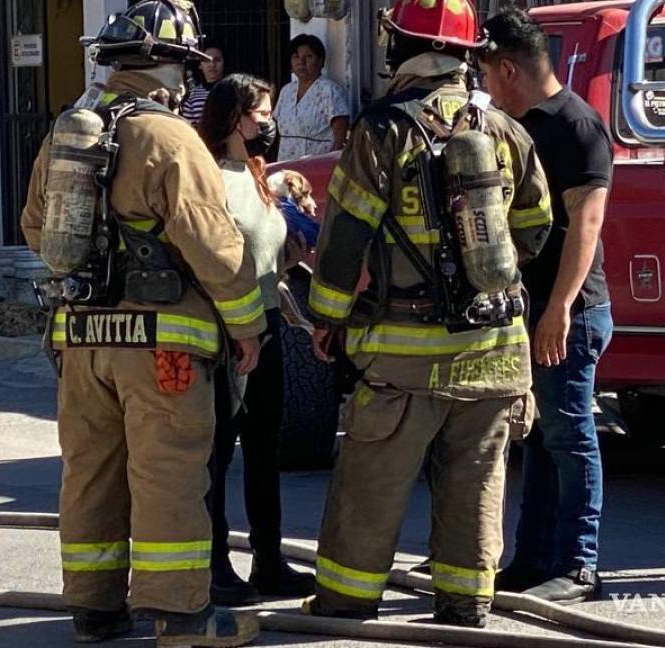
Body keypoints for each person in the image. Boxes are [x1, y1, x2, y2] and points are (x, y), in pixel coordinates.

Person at [19, 1, 264, 645]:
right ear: (170, 66)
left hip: (79, 338)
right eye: (186, 66)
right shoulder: (169, 137)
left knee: (91, 469)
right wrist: (248, 327)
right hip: (162, 345)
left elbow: (36, 228)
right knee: (168, 472)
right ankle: (182, 614)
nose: (189, 79)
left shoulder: (70, 130)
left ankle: (95, 608)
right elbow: (216, 247)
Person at [302, 0, 552, 627]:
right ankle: (466, 602)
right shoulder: (506, 131)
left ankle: (347, 600)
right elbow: (538, 227)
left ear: (400, 48)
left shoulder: (381, 130)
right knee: (477, 483)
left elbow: (344, 236)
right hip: (496, 349)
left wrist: (327, 318)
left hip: (404, 355)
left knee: (373, 483)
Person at [476, 8, 615, 605]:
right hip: (531, 310)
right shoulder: (521, 124)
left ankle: (580, 565)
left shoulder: (578, 126)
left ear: (509, 68)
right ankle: (532, 561)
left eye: (487, 75)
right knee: (535, 436)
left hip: (572, 311)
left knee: (569, 435)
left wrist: (558, 308)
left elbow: (586, 224)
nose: (485, 89)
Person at [196, 73, 317, 606]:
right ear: (232, 118)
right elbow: (216, 260)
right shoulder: (207, 179)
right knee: (218, 452)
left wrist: (295, 239)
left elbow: (266, 258)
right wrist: (240, 330)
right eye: (261, 114)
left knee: (265, 451)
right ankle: (215, 565)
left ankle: (270, 562)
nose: (270, 122)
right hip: (224, 335)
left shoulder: (256, 172)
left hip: (265, 328)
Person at [274, 34, 351, 160]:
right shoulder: (286, 91)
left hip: (316, 165)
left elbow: (340, 138)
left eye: (308, 57)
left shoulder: (330, 90)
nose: (301, 62)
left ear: (320, 61)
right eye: (296, 57)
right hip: (286, 163)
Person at [181, 43, 225, 124]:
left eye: (217, 60)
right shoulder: (192, 95)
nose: (212, 64)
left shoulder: (234, 90)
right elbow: (188, 127)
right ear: (200, 65)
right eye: (207, 60)